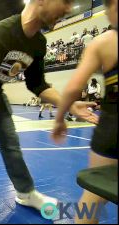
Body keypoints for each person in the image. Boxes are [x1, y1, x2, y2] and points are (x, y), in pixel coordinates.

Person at [0, 0, 98, 215]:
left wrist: (68, 105)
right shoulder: (0, 34)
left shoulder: (38, 43)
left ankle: (25, 193)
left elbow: (37, 84)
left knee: (11, 144)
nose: (68, 8)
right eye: (65, 1)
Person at [51, 1, 118, 224]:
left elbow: (72, 88)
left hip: (112, 131)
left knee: (93, 196)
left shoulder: (105, 42)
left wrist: (60, 119)